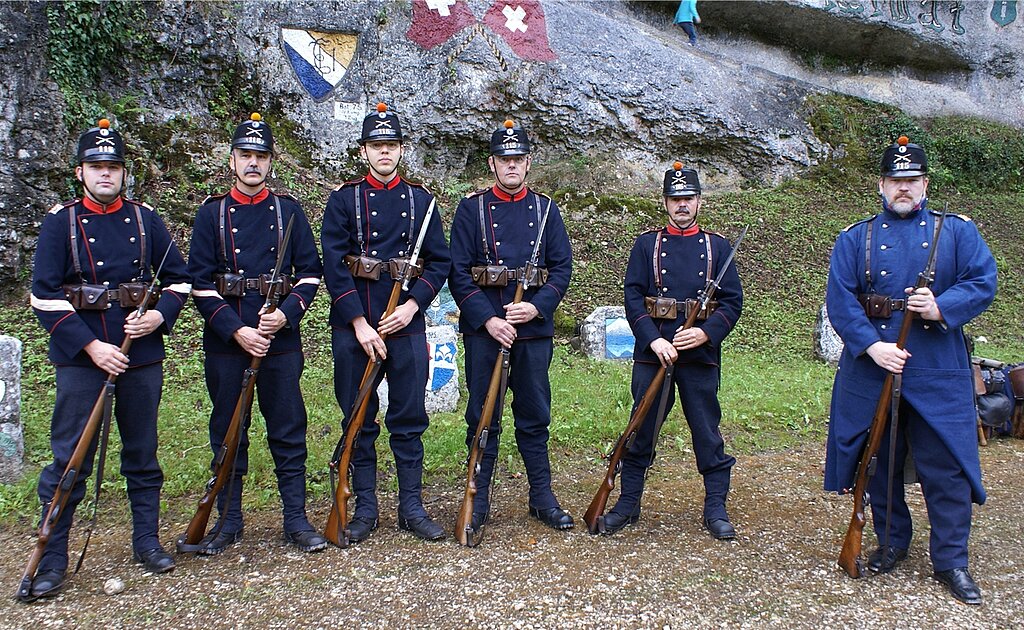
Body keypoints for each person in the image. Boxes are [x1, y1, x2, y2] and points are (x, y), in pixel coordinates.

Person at [824, 136, 997, 605]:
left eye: (912, 180)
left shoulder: (956, 232)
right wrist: (872, 347)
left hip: (936, 365)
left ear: (925, 183)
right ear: (881, 184)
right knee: (877, 461)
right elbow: (840, 301)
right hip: (875, 366)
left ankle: (951, 562)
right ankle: (893, 542)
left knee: (947, 466)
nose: (904, 188)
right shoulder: (854, 237)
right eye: (895, 181)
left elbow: (983, 281)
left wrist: (941, 306)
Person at [26, 118, 191, 599]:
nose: (105, 174)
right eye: (96, 166)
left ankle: (147, 541)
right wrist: (92, 346)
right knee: (69, 458)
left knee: (141, 453)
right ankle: (53, 558)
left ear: (124, 173)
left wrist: (158, 317)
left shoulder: (146, 220)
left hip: (139, 357)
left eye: (113, 166)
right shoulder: (61, 222)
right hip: (83, 359)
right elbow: (45, 296)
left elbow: (178, 280)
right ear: (81, 172)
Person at [189, 113, 325, 555]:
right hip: (228, 343)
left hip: (279, 341)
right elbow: (200, 282)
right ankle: (228, 521)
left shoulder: (289, 211)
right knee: (230, 430)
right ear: (232, 160)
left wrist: (285, 315)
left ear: (270, 162)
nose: (253, 163)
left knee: (288, 428)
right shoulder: (212, 214)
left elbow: (309, 274)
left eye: (260, 156)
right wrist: (237, 330)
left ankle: (295, 519)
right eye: (245, 155)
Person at [321, 103, 451, 543]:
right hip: (354, 325)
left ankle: (411, 506)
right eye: (377, 145)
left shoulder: (421, 201)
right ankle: (366, 506)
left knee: (410, 416)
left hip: (406, 324)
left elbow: (439, 261)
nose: (384, 153)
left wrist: (413, 306)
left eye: (391, 145)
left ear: (401, 149)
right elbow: (334, 266)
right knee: (358, 416)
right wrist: (358, 322)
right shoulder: (343, 200)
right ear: (363, 151)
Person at [448, 119, 574, 536]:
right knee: (483, 416)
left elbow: (561, 270)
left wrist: (536, 309)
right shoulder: (472, 209)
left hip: (532, 333)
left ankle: (542, 497)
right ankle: (477, 499)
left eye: (518, 159)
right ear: (492, 163)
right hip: (487, 333)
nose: (512, 166)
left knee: (535, 415)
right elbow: (459, 273)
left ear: (528, 162)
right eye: (505, 159)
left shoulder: (545, 210)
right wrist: (488, 319)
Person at [606, 162, 742, 539]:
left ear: (699, 201)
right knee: (640, 429)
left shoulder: (718, 247)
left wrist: (706, 334)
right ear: (665, 202)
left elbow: (732, 303)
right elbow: (633, 297)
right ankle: (628, 504)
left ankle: (715, 508)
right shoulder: (647, 244)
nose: (682, 205)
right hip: (655, 353)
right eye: (675, 198)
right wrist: (653, 339)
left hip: (699, 356)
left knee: (706, 432)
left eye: (688, 198)